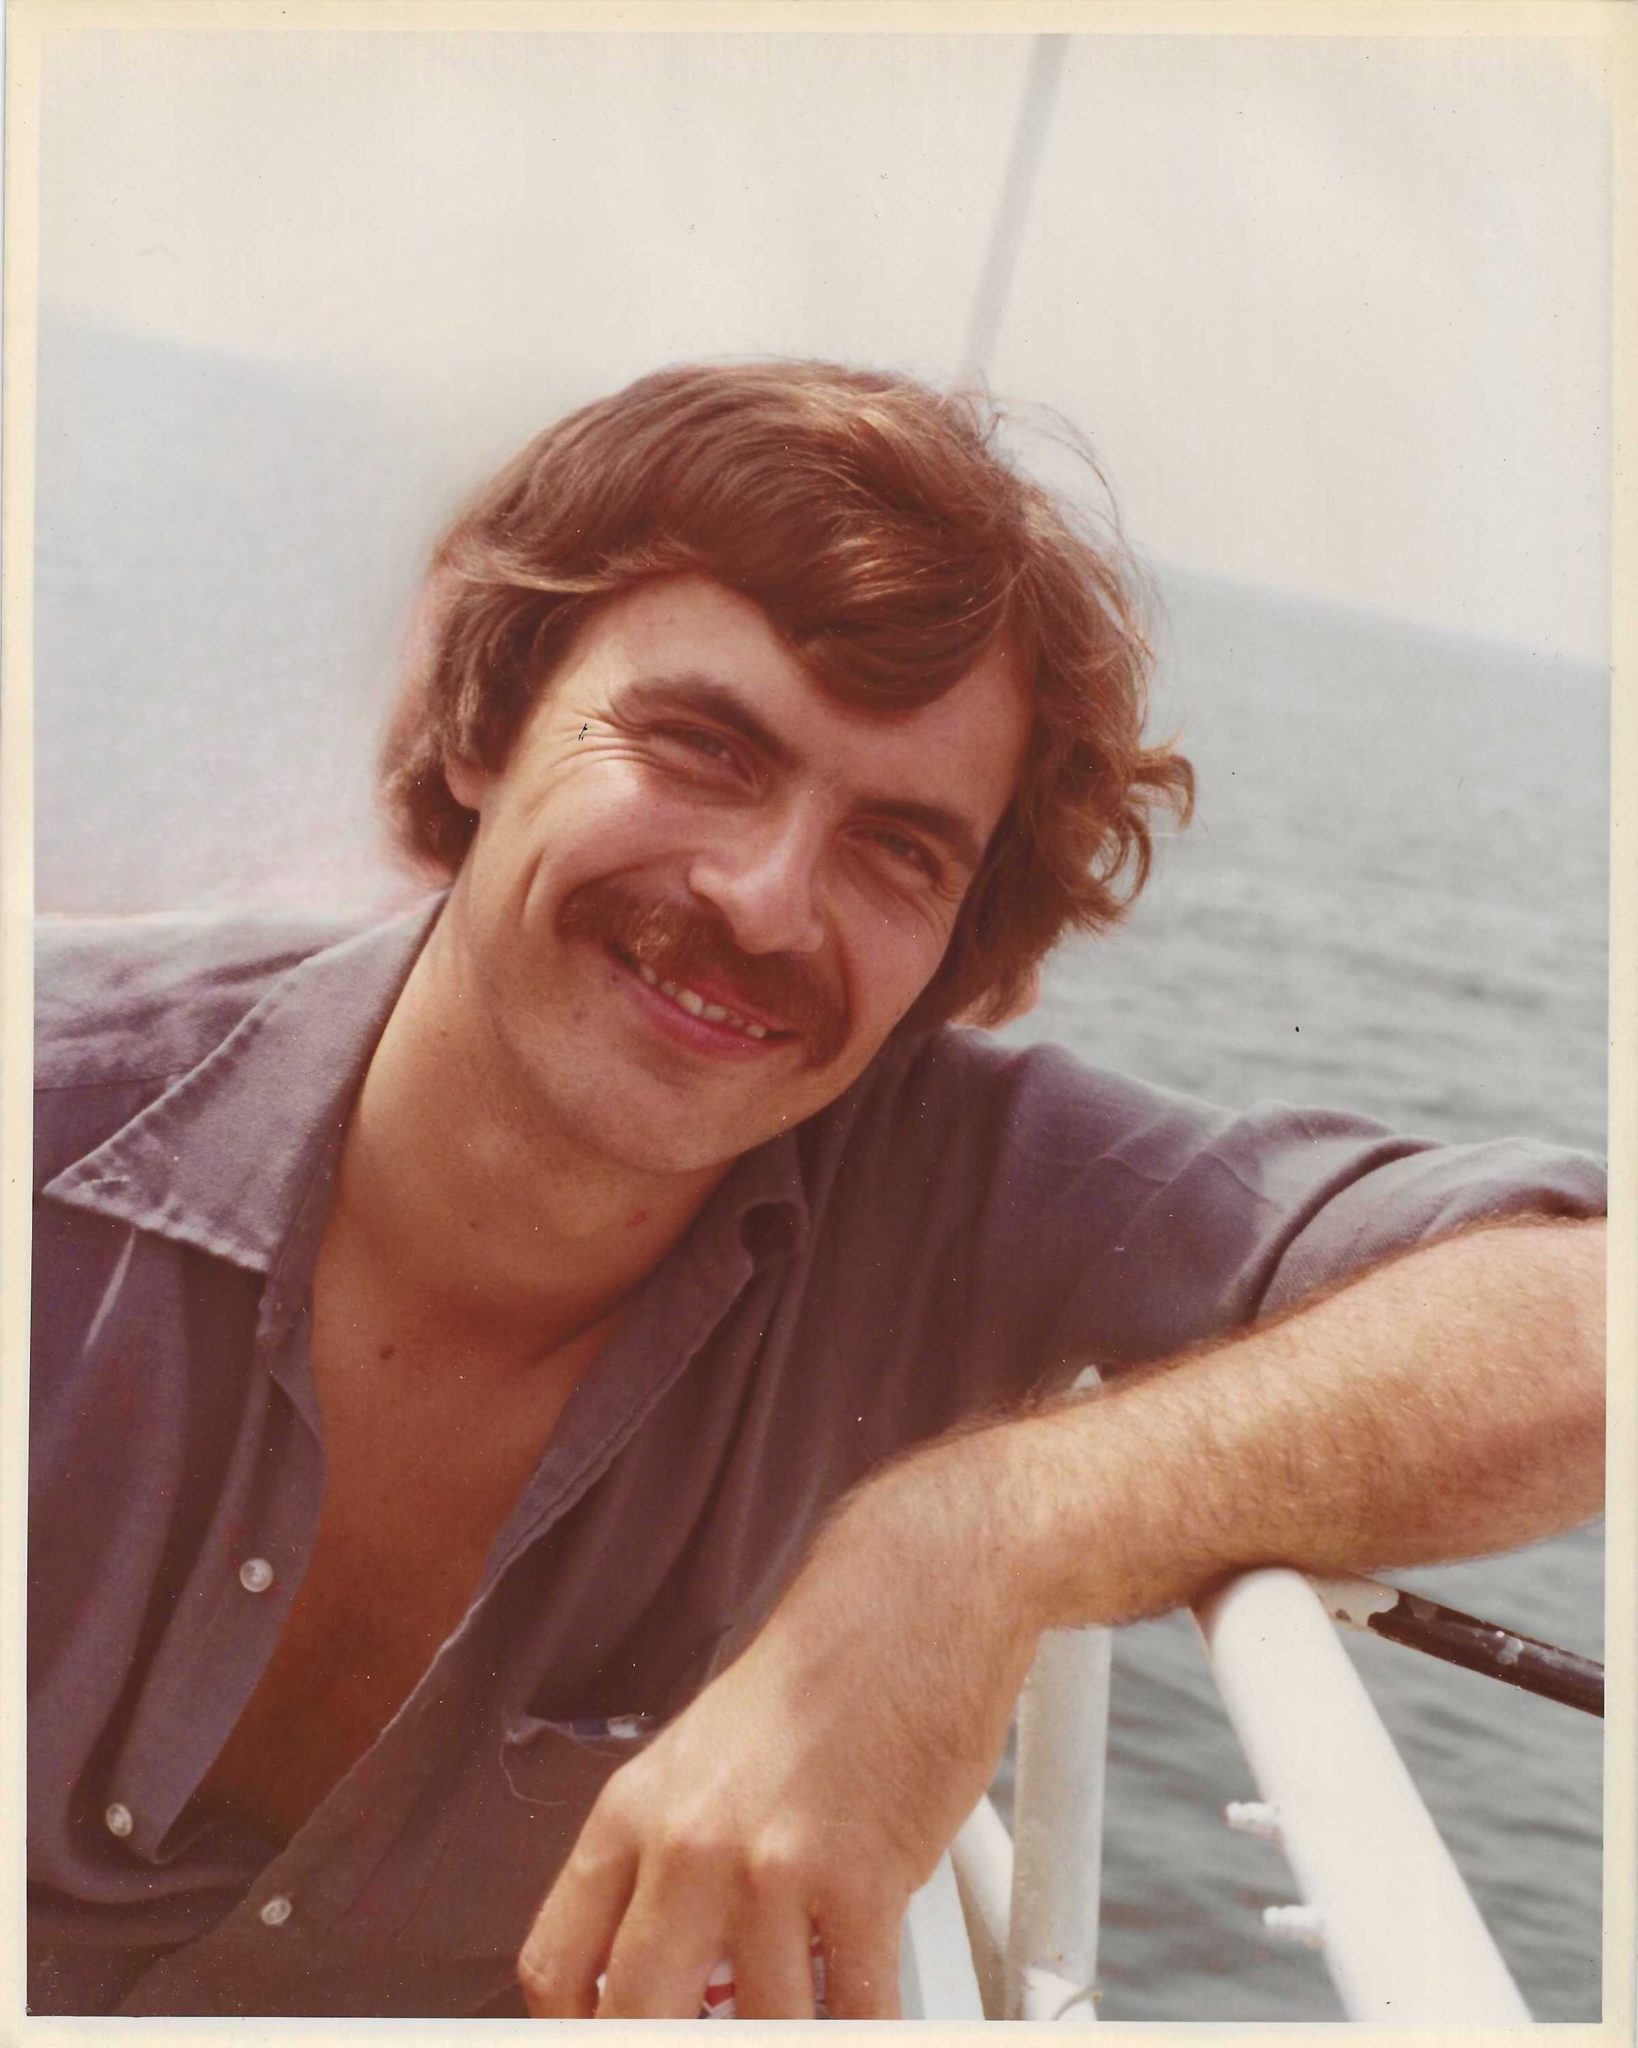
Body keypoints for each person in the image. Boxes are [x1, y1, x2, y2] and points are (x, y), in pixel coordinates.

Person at [29, 360, 1605, 2021]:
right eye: (700, 746)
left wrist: (971, 1541)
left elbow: (1579, 1315)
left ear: (954, 952)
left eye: (897, 848)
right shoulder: (49, 1110)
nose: (769, 902)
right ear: (487, 724)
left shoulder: (948, 1182)